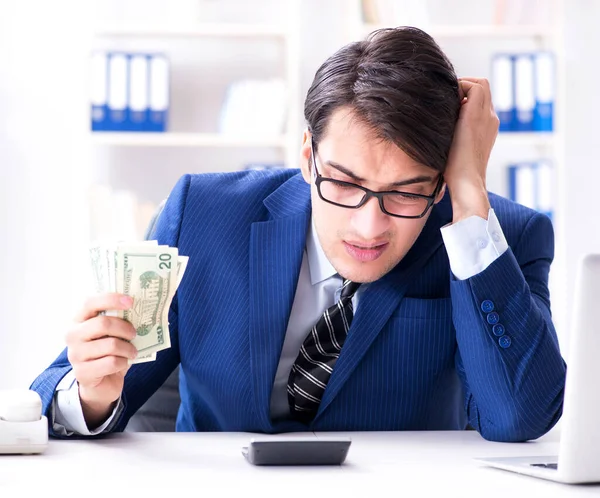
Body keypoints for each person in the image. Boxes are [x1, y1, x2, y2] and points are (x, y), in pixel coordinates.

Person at [30, 26, 566, 442]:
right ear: (308, 157)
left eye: (406, 192)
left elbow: (520, 415)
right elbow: (48, 401)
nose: (369, 225)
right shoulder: (204, 214)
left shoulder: (498, 240)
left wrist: (468, 194)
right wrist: (94, 394)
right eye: (346, 183)